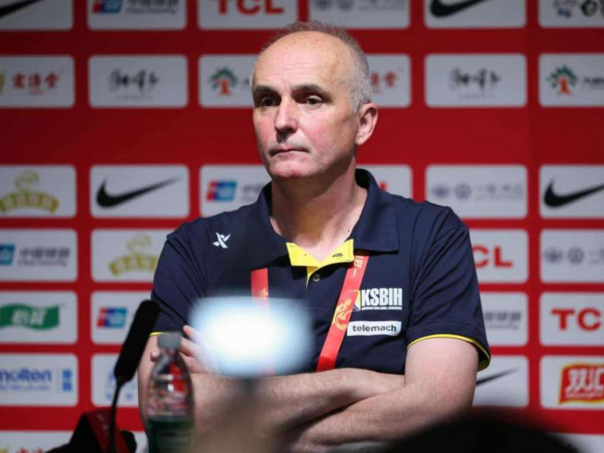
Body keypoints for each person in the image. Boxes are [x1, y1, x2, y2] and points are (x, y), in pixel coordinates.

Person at [138, 21, 490, 453]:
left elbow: (438, 408)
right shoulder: (196, 248)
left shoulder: (430, 235)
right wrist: (353, 382)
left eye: (311, 99)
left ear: (363, 123)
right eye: (267, 101)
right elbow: (167, 409)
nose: (283, 121)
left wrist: (242, 414)